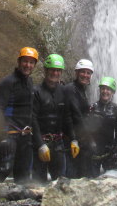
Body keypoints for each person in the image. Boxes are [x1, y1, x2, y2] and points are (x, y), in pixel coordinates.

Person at [0, 47, 38, 186]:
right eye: (25, 61)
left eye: (31, 63)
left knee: (23, 174)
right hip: (9, 133)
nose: (28, 65)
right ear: (19, 62)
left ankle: (21, 199)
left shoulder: (29, 82)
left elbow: (30, 109)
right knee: (4, 168)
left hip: (25, 135)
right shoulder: (7, 82)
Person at [32, 53, 72, 182]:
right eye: (52, 70)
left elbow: (67, 117)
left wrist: (74, 139)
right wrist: (40, 144)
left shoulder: (64, 91)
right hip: (40, 142)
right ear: (45, 70)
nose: (55, 73)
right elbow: (32, 119)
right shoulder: (36, 91)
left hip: (58, 143)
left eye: (58, 70)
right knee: (39, 183)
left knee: (61, 182)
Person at [63, 58, 94, 178]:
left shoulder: (82, 90)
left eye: (88, 73)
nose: (85, 75)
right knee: (72, 175)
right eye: (83, 72)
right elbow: (72, 115)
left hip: (80, 139)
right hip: (71, 140)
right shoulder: (71, 89)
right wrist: (73, 139)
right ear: (76, 72)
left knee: (82, 174)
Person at [87, 77, 117, 177]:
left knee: (113, 180)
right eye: (103, 88)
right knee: (92, 180)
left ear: (113, 92)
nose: (105, 91)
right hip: (94, 150)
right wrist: (91, 143)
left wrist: (116, 148)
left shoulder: (116, 108)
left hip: (110, 150)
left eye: (108, 89)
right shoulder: (92, 107)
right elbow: (86, 128)